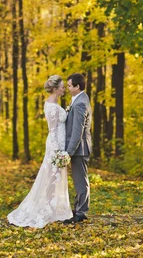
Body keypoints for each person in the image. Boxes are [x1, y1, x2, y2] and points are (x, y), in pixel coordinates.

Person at [7, 75, 73, 228]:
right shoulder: (52, 106)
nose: (64, 89)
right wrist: (57, 151)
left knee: (54, 177)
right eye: (62, 87)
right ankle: (45, 210)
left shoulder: (53, 103)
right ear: (56, 89)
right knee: (51, 177)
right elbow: (54, 129)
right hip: (55, 146)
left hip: (58, 144)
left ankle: (53, 208)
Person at [63, 73, 92, 224]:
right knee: (78, 179)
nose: (67, 88)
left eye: (69, 86)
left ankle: (81, 212)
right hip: (78, 148)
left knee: (81, 180)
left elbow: (77, 131)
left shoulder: (80, 103)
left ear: (77, 87)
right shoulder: (79, 100)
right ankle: (78, 208)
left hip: (79, 148)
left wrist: (69, 152)